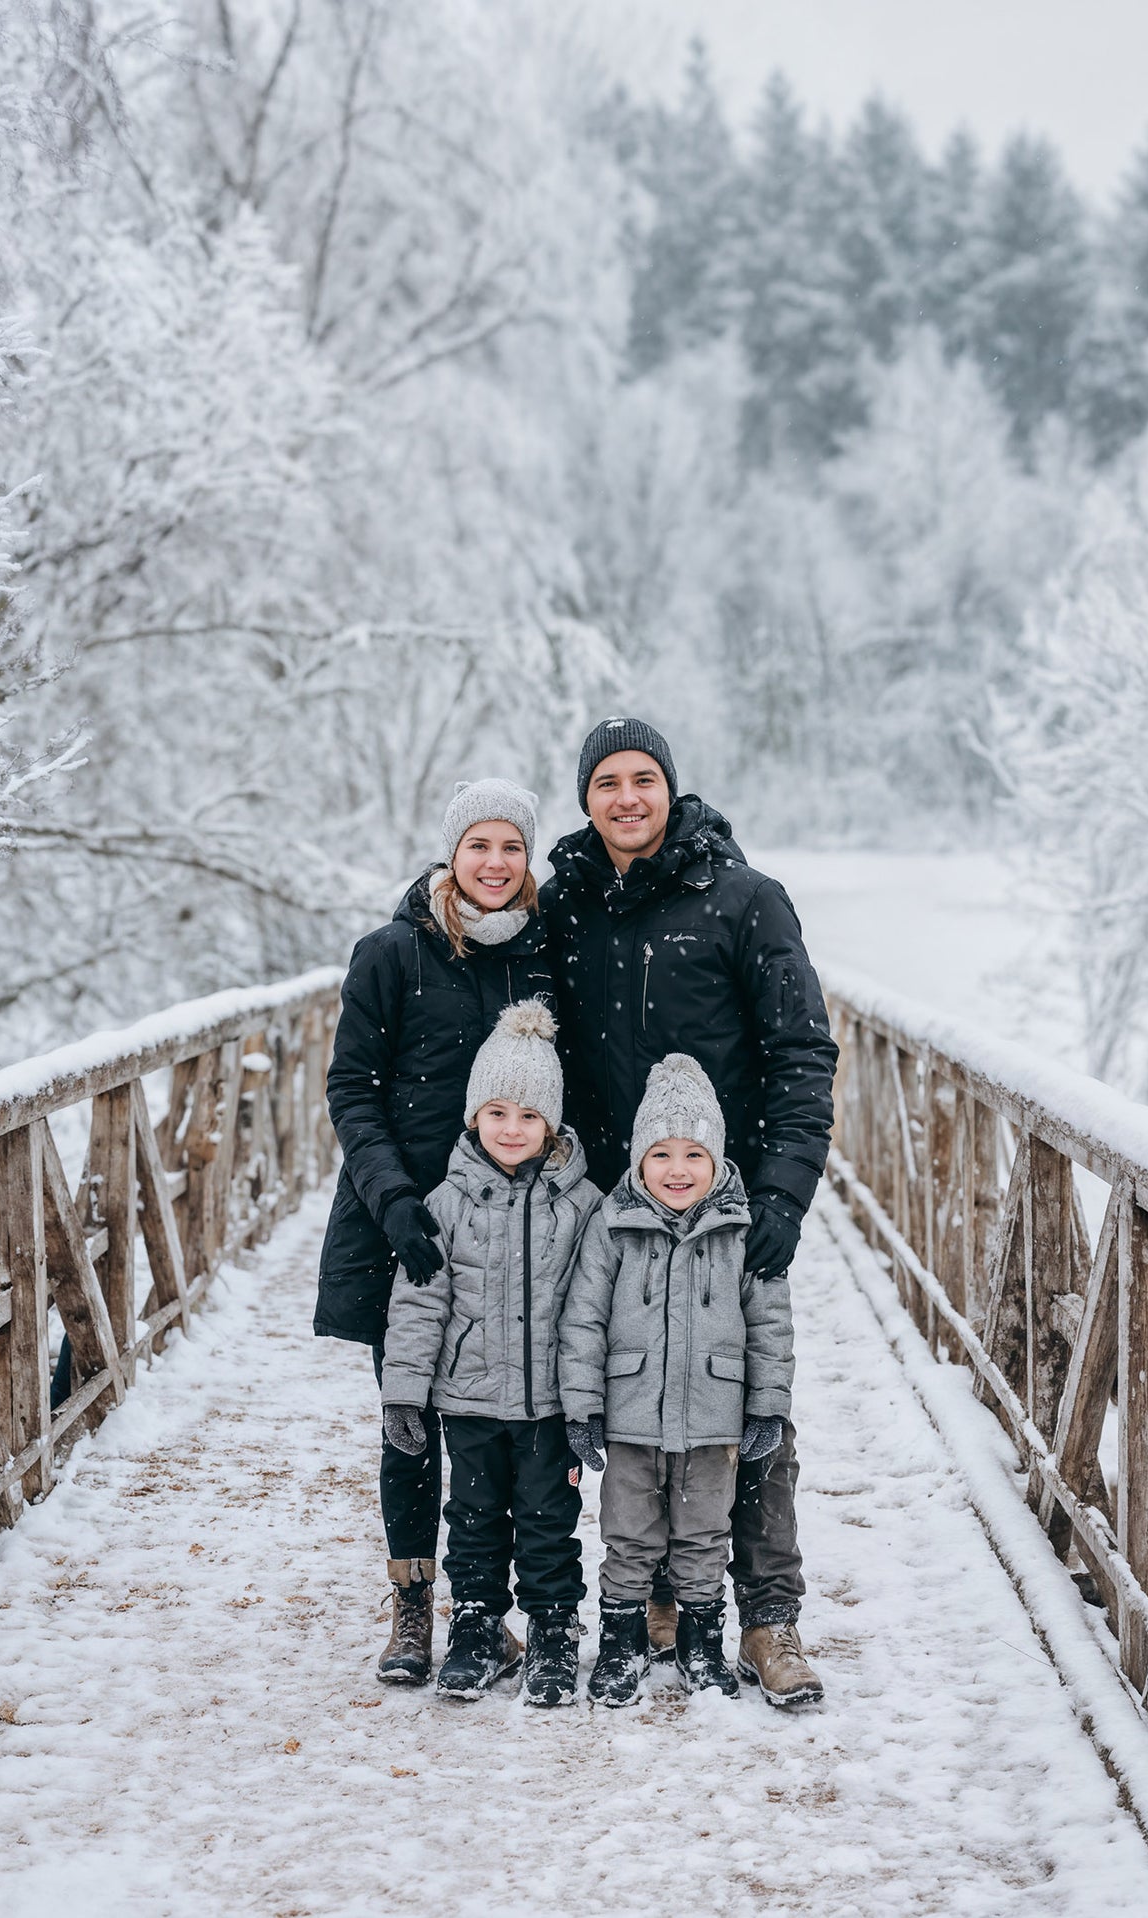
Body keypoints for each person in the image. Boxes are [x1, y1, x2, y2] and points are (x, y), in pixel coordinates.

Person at [542, 716, 836, 1707]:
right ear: (585, 798)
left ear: (670, 788)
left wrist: (786, 1188)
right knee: (632, 1393)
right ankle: (665, 1592)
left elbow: (802, 1052)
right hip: (610, 1211)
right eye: (605, 784)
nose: (626, 798)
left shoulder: (744, 901)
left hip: (730, 1204)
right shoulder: (567, 906)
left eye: (642, 779)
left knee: (751, 1405)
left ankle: (768, 1616)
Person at [314, 778, 553, 1685]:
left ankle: (486, 1614)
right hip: (405, 1226)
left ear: (528, 861)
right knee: (410, 1419)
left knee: (497, 1429)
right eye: (478, 846)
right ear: (449, 854)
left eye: (511, 848)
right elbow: (352, 1089)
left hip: (517, 1230)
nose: (494, 864)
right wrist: (392, 1199)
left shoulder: (544, 956)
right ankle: (413, 1608)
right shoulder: (389, 954)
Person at [380, 1001, 601, 1706]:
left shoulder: (583, 1206)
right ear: (474, 1117)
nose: (512, 1129)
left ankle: (553, 1632)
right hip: (468, 1399)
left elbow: (596, 1310)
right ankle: (476, 1627)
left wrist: (590, 1401)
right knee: (471, 1523)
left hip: (548, 1405)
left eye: (528, 1116)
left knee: (547, 1525)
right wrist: (404, 1393)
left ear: (552, 1125)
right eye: (498, 1112)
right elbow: (418, 1303)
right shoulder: (444, 1204)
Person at [559, 1053, 794, 1706]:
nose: (677, 1170)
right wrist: (581, 1409)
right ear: (638, 1160)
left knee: (701, 1537)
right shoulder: (612, 1227)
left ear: (716, 1162)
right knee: (628, 1536)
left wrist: (766, 1409)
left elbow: (770, 1329)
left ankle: (699, 1642)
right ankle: (621, 1641)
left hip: (711, 1419)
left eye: (694, 1155)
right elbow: (581, 1321)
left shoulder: (743, 1232)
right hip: (630, 1414)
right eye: (661, 1154)